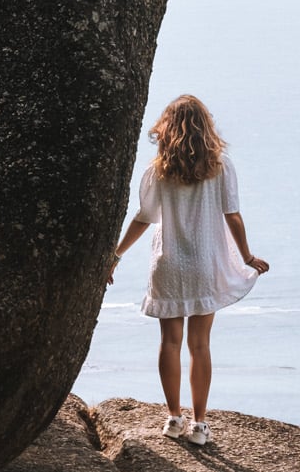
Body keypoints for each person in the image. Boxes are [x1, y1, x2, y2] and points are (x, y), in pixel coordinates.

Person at [109, 94, 269, 446]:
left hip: (167, 263)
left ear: (167, 129)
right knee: (200, 345)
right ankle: (199, 424)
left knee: (169, 342)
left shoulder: (157, 171)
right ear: (205, 127)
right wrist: (246, 257)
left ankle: (173, 418)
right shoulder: (220, 166)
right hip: (204, 264)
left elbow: (143, 219)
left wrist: (115, 255)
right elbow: (233, 216)